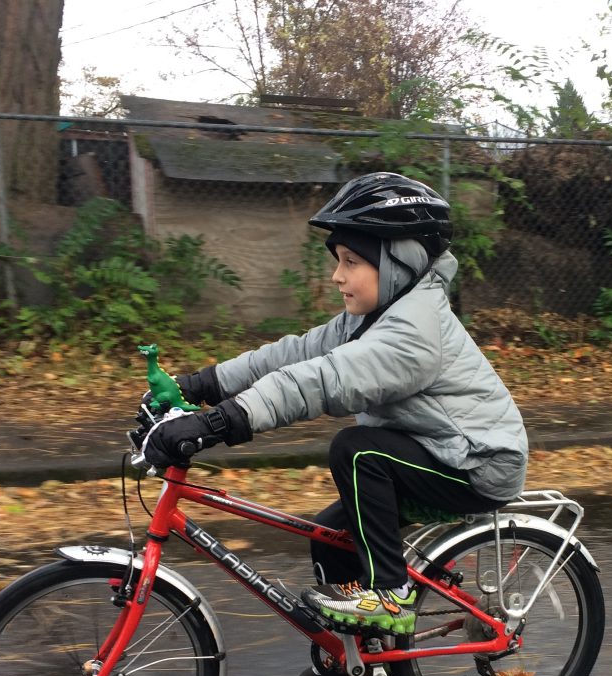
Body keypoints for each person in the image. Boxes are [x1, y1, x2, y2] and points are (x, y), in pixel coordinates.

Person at [142, 172, 528, 649]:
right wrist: (201, 384)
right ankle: (355, 653)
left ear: (397, 265)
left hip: (477, 464)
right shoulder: (375, 315)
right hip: (435, 452)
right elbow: (295, 355)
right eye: (338, 261)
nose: (337, 275)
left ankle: (391, 596)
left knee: (359, 451)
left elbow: (322, 380)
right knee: (329, 534)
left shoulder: (413, 333)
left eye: (351, 262)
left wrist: (220, 421)